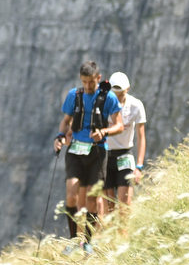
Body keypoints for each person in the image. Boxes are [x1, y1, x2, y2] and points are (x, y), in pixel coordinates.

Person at [52, 59, 123, 247]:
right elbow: (65, 121)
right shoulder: (74, 95)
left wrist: (104, 132)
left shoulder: (109, 98)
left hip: (98, 153)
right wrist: (60, 136)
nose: (88, 85)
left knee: (92, 198)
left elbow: (119, 125)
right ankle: (74, 240)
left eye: (91, 81)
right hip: (75, 150)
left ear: (98, 78)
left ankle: (89, 243)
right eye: (84, 82)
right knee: (71, 194)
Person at [102, 71, 147, 217]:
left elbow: (141, 137)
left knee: (125, 205)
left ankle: (123, 238)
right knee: (107, 207)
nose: (118, 96)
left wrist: (139, 167)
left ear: (127, 89)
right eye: (114, 93)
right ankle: (107, 238)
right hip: (105, 155)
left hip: (125, 154)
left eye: (120, 93)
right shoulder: (103, 104)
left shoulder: (136, 105)